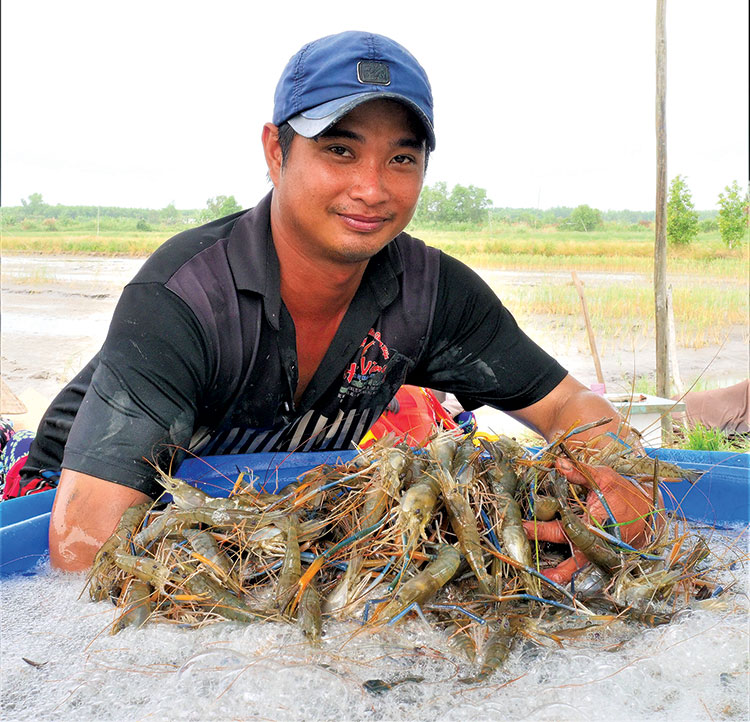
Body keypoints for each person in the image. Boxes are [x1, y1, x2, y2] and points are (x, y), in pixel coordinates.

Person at [20, 31, 657, 578]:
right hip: (66, 505)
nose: (372, 189)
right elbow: (82, 551)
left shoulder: (430, 294)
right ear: (276, 151)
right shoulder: (186, 298)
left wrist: (620, 480)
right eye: (339, 149)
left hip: (268, 522)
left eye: (402, 158)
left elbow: (569, 403)